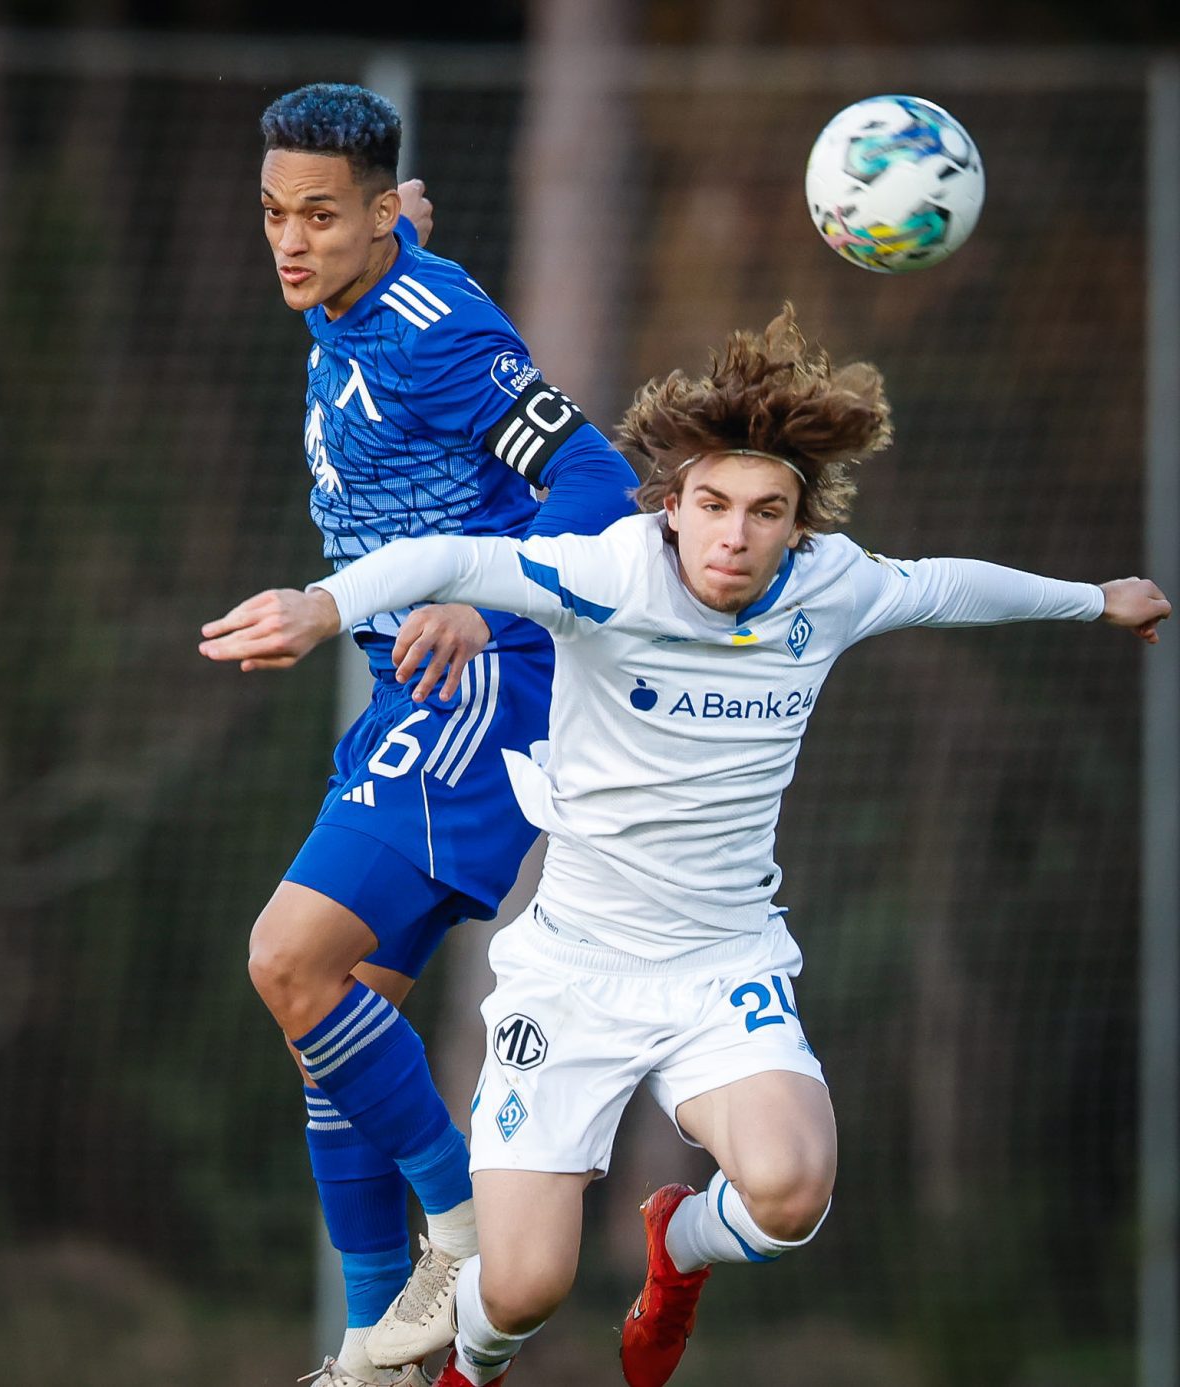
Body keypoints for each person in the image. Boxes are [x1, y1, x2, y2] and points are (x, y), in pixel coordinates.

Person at [200, 306, 1170, 1387]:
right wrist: (324, 605)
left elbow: (948, 585)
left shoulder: (831, 586)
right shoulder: (611, 573)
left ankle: (680, 1242)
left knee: (792, 1191)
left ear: (799, 525)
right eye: (712, 505)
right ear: (672, 505)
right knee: (523, 1288)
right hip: (572, 977)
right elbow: (451, 555)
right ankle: (472, 1361)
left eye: (766, 512)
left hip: (721, 966)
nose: (734, 536)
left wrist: (1098, 601)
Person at [232, 83, 638, 1387]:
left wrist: (481, 597)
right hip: (407, 689)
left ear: (370, 220)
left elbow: (598, 479)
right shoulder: (356, 270)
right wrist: (387, 224)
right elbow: (384, 240)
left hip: (487, 679)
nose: (290, 242)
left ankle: (464, 1238)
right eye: (274, 213)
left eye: (319, 217)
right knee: (334, 1028)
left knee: (288, 958)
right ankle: (377, 1358)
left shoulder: (437, 331)